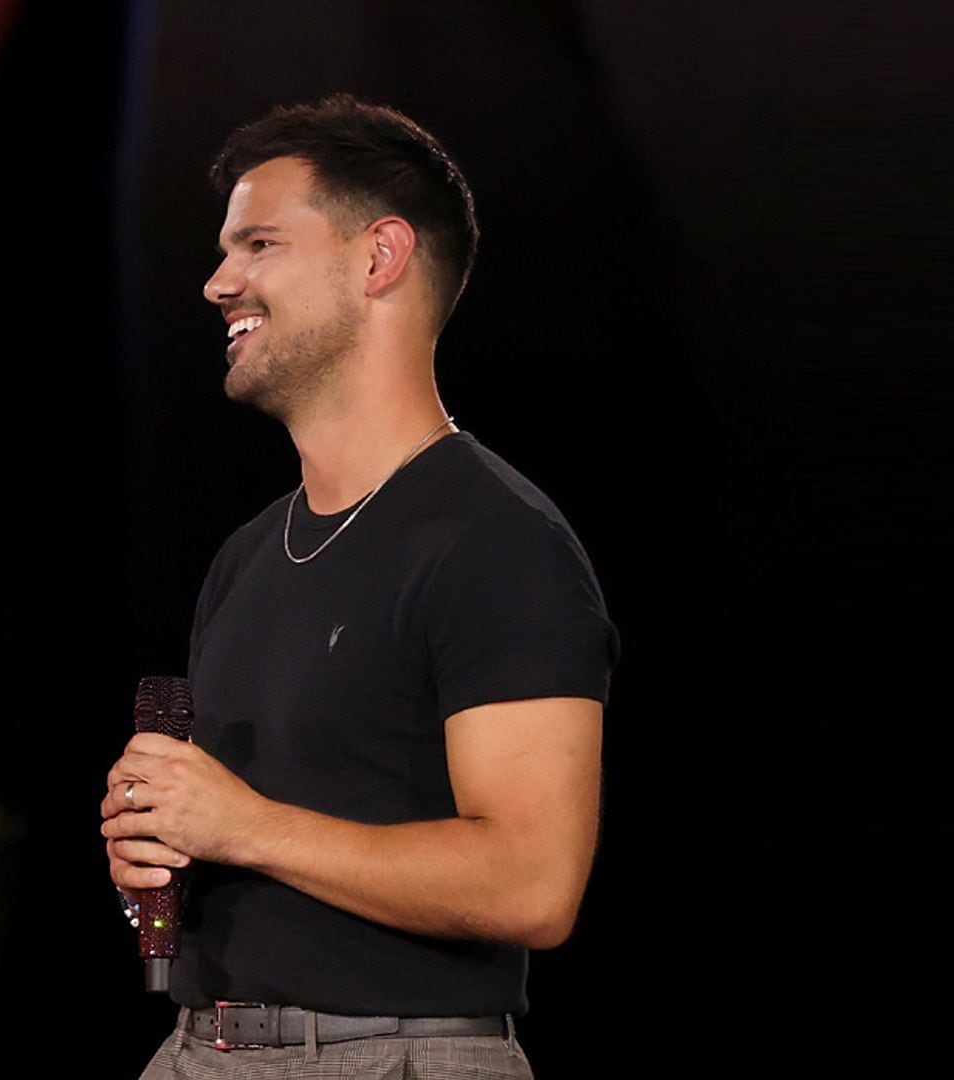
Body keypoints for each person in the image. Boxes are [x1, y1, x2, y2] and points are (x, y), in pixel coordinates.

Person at [100, 95, 619, 1078]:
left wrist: (241, 825)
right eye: (224, 252)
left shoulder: (499, 544)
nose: (218, 282)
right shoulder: (248, 554)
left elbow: (534, 882)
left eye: (258, 245)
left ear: (379, 258)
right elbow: (249, 839)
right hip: (201, 1051)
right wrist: (164, 841)